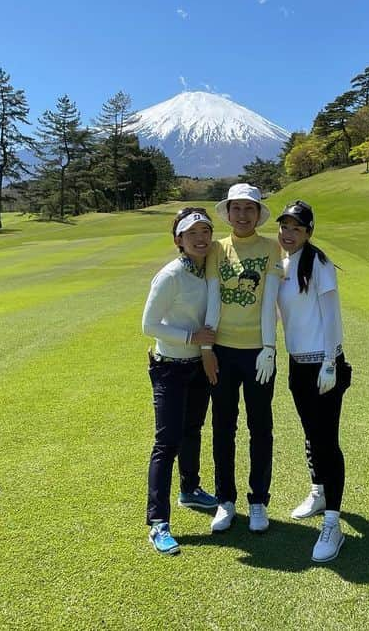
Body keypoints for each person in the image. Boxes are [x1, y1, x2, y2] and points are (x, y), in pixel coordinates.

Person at [140, 206, 221, 555]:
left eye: (205, 232)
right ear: (179, 240)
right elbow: (149, 325)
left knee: (192, 431)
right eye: (192, 234)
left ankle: (190, 490)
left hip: (197, 366)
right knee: (167, 442)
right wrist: (192, 338)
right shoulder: (170, 275)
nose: (201, 239)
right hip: (170, 366)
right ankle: (158, 522)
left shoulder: (210, 271)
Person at [275, 200, 352, 562]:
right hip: (297, 366)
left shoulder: (319, 264)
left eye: (295, 228)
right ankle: (318, 491)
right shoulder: (282, 263)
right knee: (310, 434)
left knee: (326, 441)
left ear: (308, 232)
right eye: (284, 227)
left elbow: (331, 315)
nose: (287, 234)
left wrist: (329, 362)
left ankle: (333, 524)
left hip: (323, 365)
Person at [203, 183, 282, 533]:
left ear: (258, 213)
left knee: (260, 427)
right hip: (223, 350)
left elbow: (270, 301)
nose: (243, 215)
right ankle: (226, 500)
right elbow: (211, 297)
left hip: (257, 352)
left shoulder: (271, 247)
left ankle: (259, 500)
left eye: (249, 208)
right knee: (223, 426)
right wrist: (207, 349)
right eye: (236, 208)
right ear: (228, 212)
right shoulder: (217, 250)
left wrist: (269, 347)